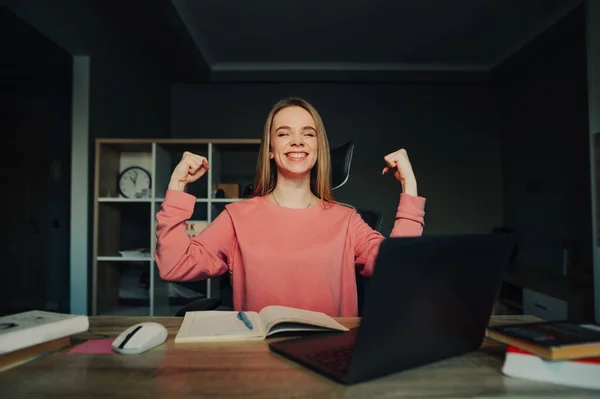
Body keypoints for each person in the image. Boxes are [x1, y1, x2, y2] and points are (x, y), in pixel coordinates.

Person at [155, 97, 426, 317]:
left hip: (328, 361)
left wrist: (409, 185)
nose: (297, 140)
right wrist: (177, 185)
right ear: (271, 149)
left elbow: (398, 265)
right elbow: (174, 266)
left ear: (318, 148)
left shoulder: (347, 220)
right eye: (284, 133)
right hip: (260, 362)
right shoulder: (237, 217)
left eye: (308, 134)